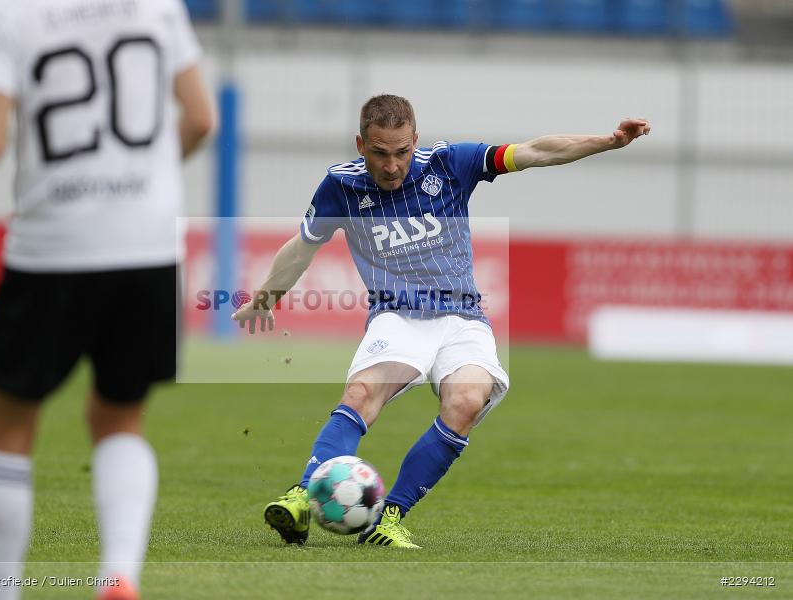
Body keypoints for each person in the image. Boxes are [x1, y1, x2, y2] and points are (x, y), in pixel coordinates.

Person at [232, 94, 649, 548]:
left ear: (415, 140)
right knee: (362, 393)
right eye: (379, 153)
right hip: (397, 316)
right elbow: (301, 247)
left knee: (467, 401)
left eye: (401, 152)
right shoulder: (341, 187)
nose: (392, 165)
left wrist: (606, 142)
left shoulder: (451, 164)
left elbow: (535, 151)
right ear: (360, 144)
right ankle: (302, 495)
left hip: (462, 318)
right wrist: (265, 297)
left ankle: (389, 518)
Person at [0, 0, 214, 597]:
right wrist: (139, 176)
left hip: (52, 247)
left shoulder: (0, 9)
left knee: (8, 426)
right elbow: (200, 118)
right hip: (148, 247)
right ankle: (119, 573)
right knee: (120, 417)